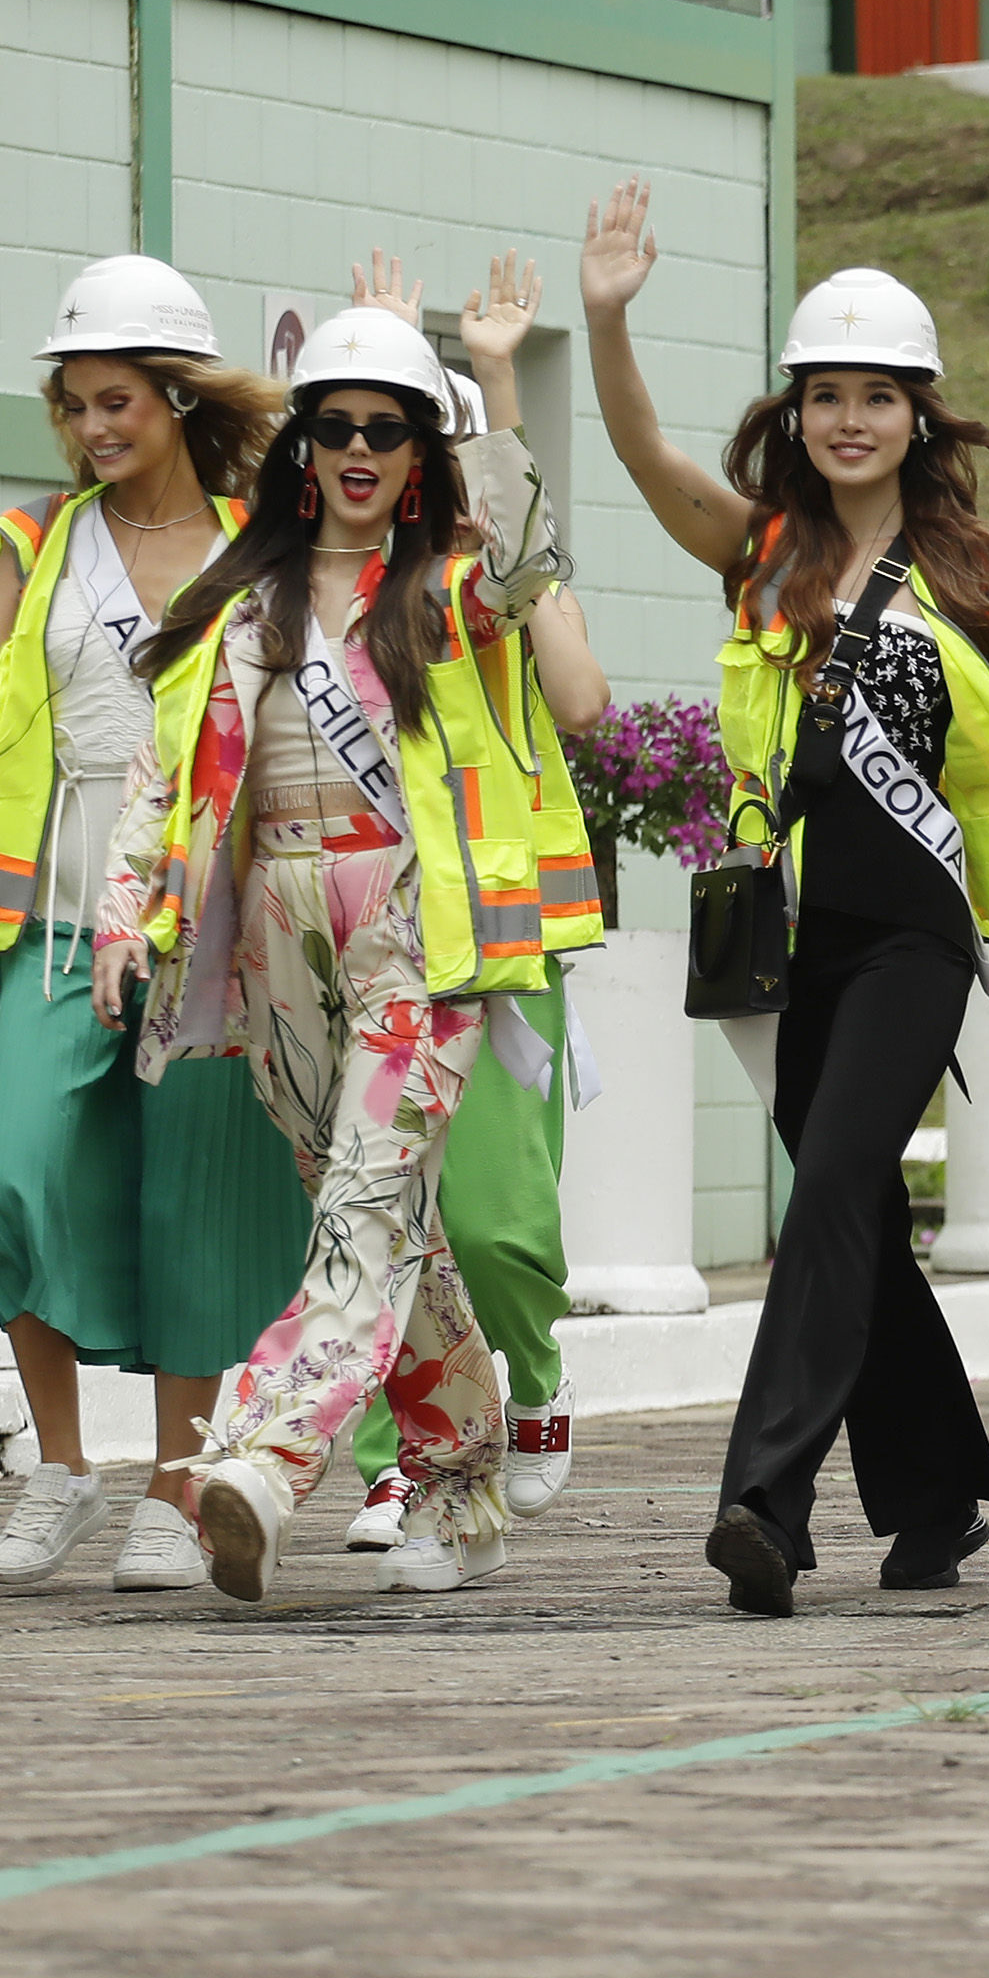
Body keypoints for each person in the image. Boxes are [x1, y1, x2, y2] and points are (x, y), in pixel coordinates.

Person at [579, 192, 989, 1620]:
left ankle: (767, 1501)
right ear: (793, 412)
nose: (851, 417)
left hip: (919, 942)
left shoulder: (976, 577)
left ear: (919, 415)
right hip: (799, 941)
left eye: (878, 395)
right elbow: (637, 449)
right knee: (853, 1199)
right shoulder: (763, 556)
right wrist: (608, 317)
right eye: (825, 395)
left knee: (821, 1208)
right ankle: (935, 1498)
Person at [88, 256, 569, 1603]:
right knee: (375, 1217)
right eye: (336, 425)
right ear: (304, 447)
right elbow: (161, 773)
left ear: (422, 452)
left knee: (366, 1205)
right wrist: (130, 916)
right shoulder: (248, 598)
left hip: (418, 927)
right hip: (278, 934)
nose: (359, 449)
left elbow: (536, 563)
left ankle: (261, 1453)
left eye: (388, 427)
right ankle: (465, 1481)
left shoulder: (453, 588)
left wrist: (500, 377)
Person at [0, 253, 310, 1594]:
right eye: (75, 403)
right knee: (15, 1179)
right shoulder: (34, 541)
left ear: (177, 398)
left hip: (210, 917)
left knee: (188, 1205)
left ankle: (176, 1479)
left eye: (120, 401)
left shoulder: (257, 538)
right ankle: (62, 1461)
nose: (95, 427)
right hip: (51, 917)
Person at [347, 581, 606, 1554]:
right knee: (380, 1210)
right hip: (356, 931)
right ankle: (397, 1457)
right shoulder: (303, 581)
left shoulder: (497, 587)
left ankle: (534, 1369)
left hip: (490, 938)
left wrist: (529, 570)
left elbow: (581, 700)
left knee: (496, 1223)